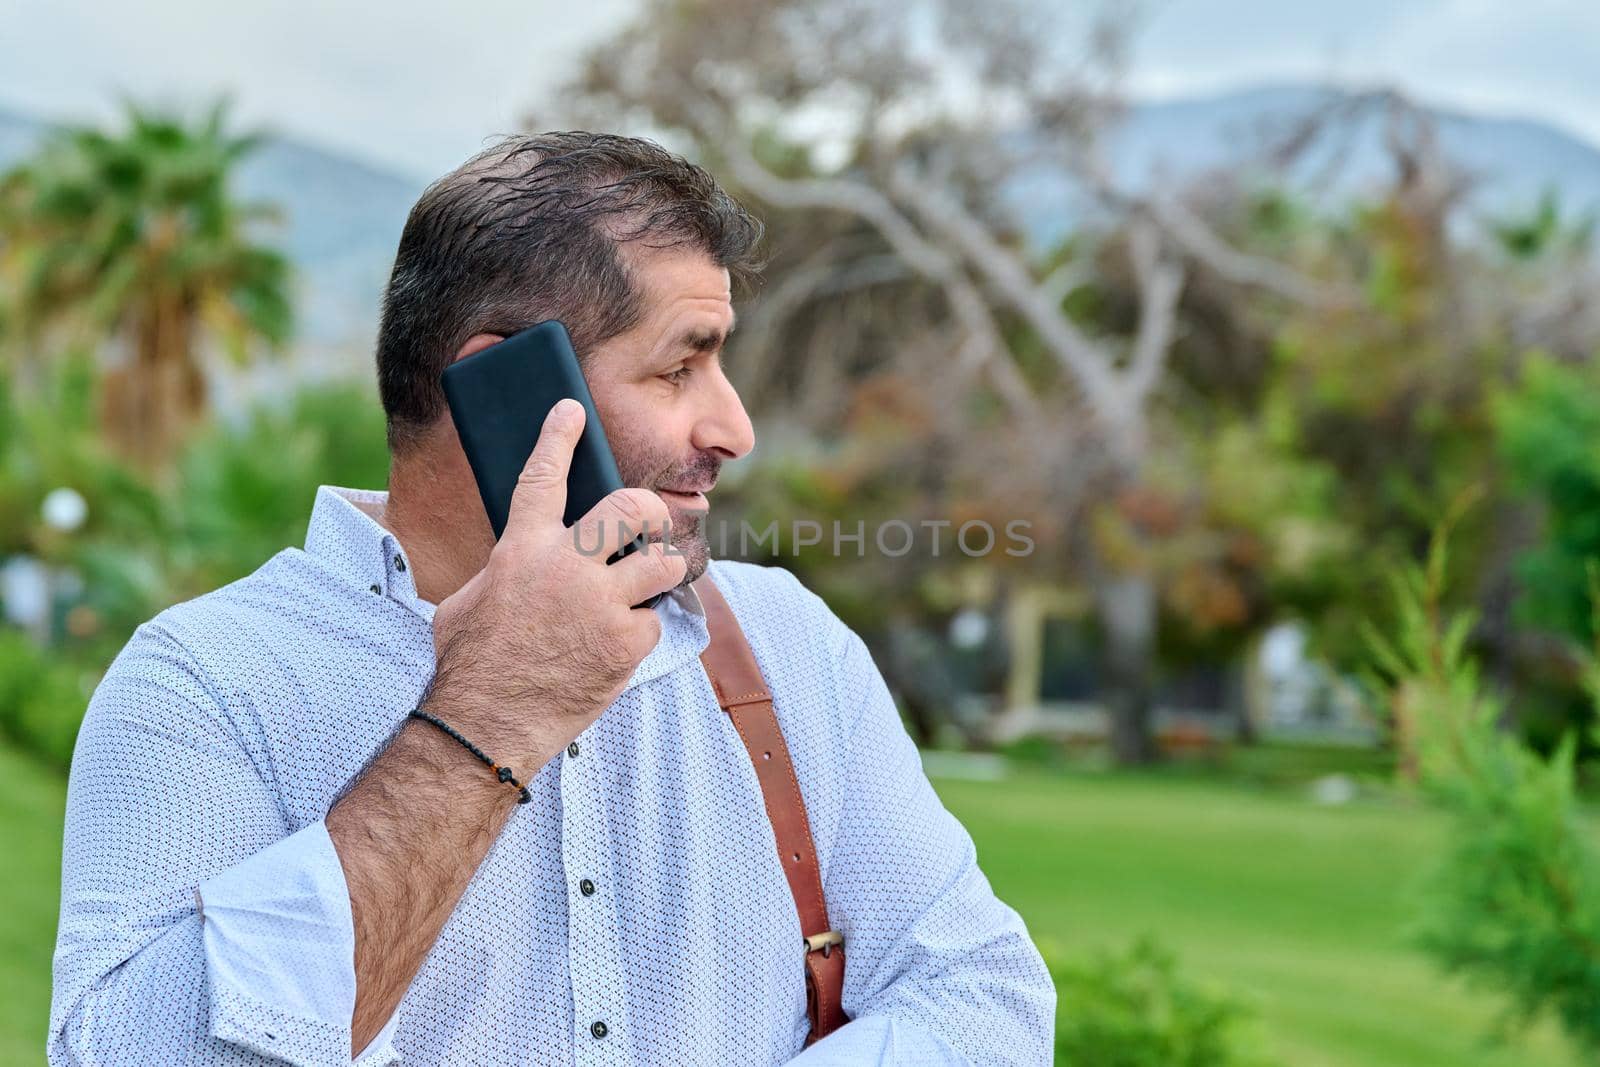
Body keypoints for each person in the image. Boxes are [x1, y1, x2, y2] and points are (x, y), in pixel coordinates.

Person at [48, 131, 1056, 1066]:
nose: (734, 427)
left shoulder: (788, 643)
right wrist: (489, 711)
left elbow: (982, 998)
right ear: (506, 389)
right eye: (681, 363)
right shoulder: (207, 681)